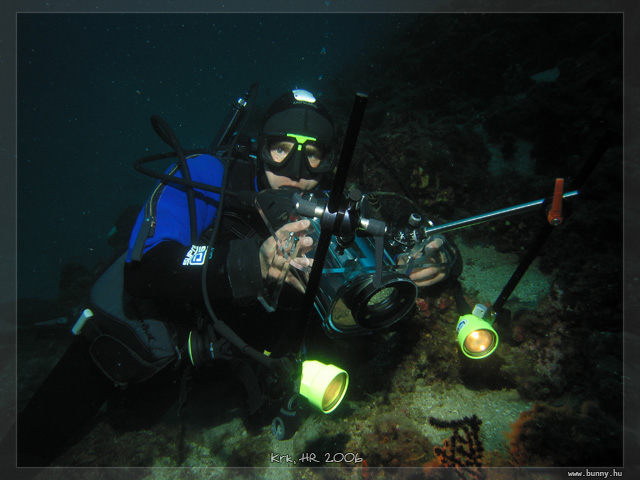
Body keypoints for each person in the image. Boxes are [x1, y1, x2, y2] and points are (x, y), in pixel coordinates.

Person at [8, 88, 459, 467]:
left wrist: (439, 260)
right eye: (281, 149)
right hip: (165, 342)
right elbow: (146, 269)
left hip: (237, 367)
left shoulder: (330, 204)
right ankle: (50, 324)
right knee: (39, 439)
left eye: (313, 155)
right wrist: (252, 263)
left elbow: (393, 250)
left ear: (328, 160)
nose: (295, 172)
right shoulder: (207, 176)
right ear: (260, 146)